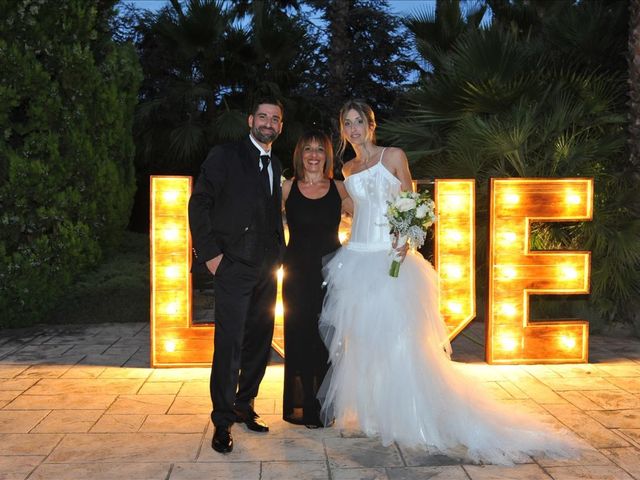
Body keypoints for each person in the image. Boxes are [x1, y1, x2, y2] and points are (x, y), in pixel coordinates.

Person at [317, 100, 584, 465]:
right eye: (347, 123)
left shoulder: (393, 155)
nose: (353, 128)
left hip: (389, 259)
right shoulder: (347, 168)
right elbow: (355, 211)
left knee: (400, 342)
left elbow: (410, 204)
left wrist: (405, 239)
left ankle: (412, 416)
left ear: (371, 124)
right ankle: (374, 415)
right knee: (363, 341)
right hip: (357, 257)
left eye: (359, 121)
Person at [188, 96, 285, 454]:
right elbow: (199, 203)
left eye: (275, 119)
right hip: (232, 266)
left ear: (280, 126)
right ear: (250, 120)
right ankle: (222, 420)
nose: (268, 123)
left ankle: (245, 406)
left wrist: (280, 254)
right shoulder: (225, 155)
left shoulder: (275, 163)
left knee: (259, 341)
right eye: (262, 116)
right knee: (229, 345)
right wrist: (210, 255)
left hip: (267, 267)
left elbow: (272, 214)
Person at [281, 130, 350, 428]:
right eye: (307, 148)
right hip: (295, 273)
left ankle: (325, 407)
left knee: (327, 340)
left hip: (331, 275)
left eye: (319, 150)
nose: (313, 155)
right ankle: (303, 406)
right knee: (298, 338)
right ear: (299, 155)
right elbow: (266, 228)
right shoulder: (286, 188)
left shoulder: (340, 188)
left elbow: (369, 220)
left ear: (327, 156)